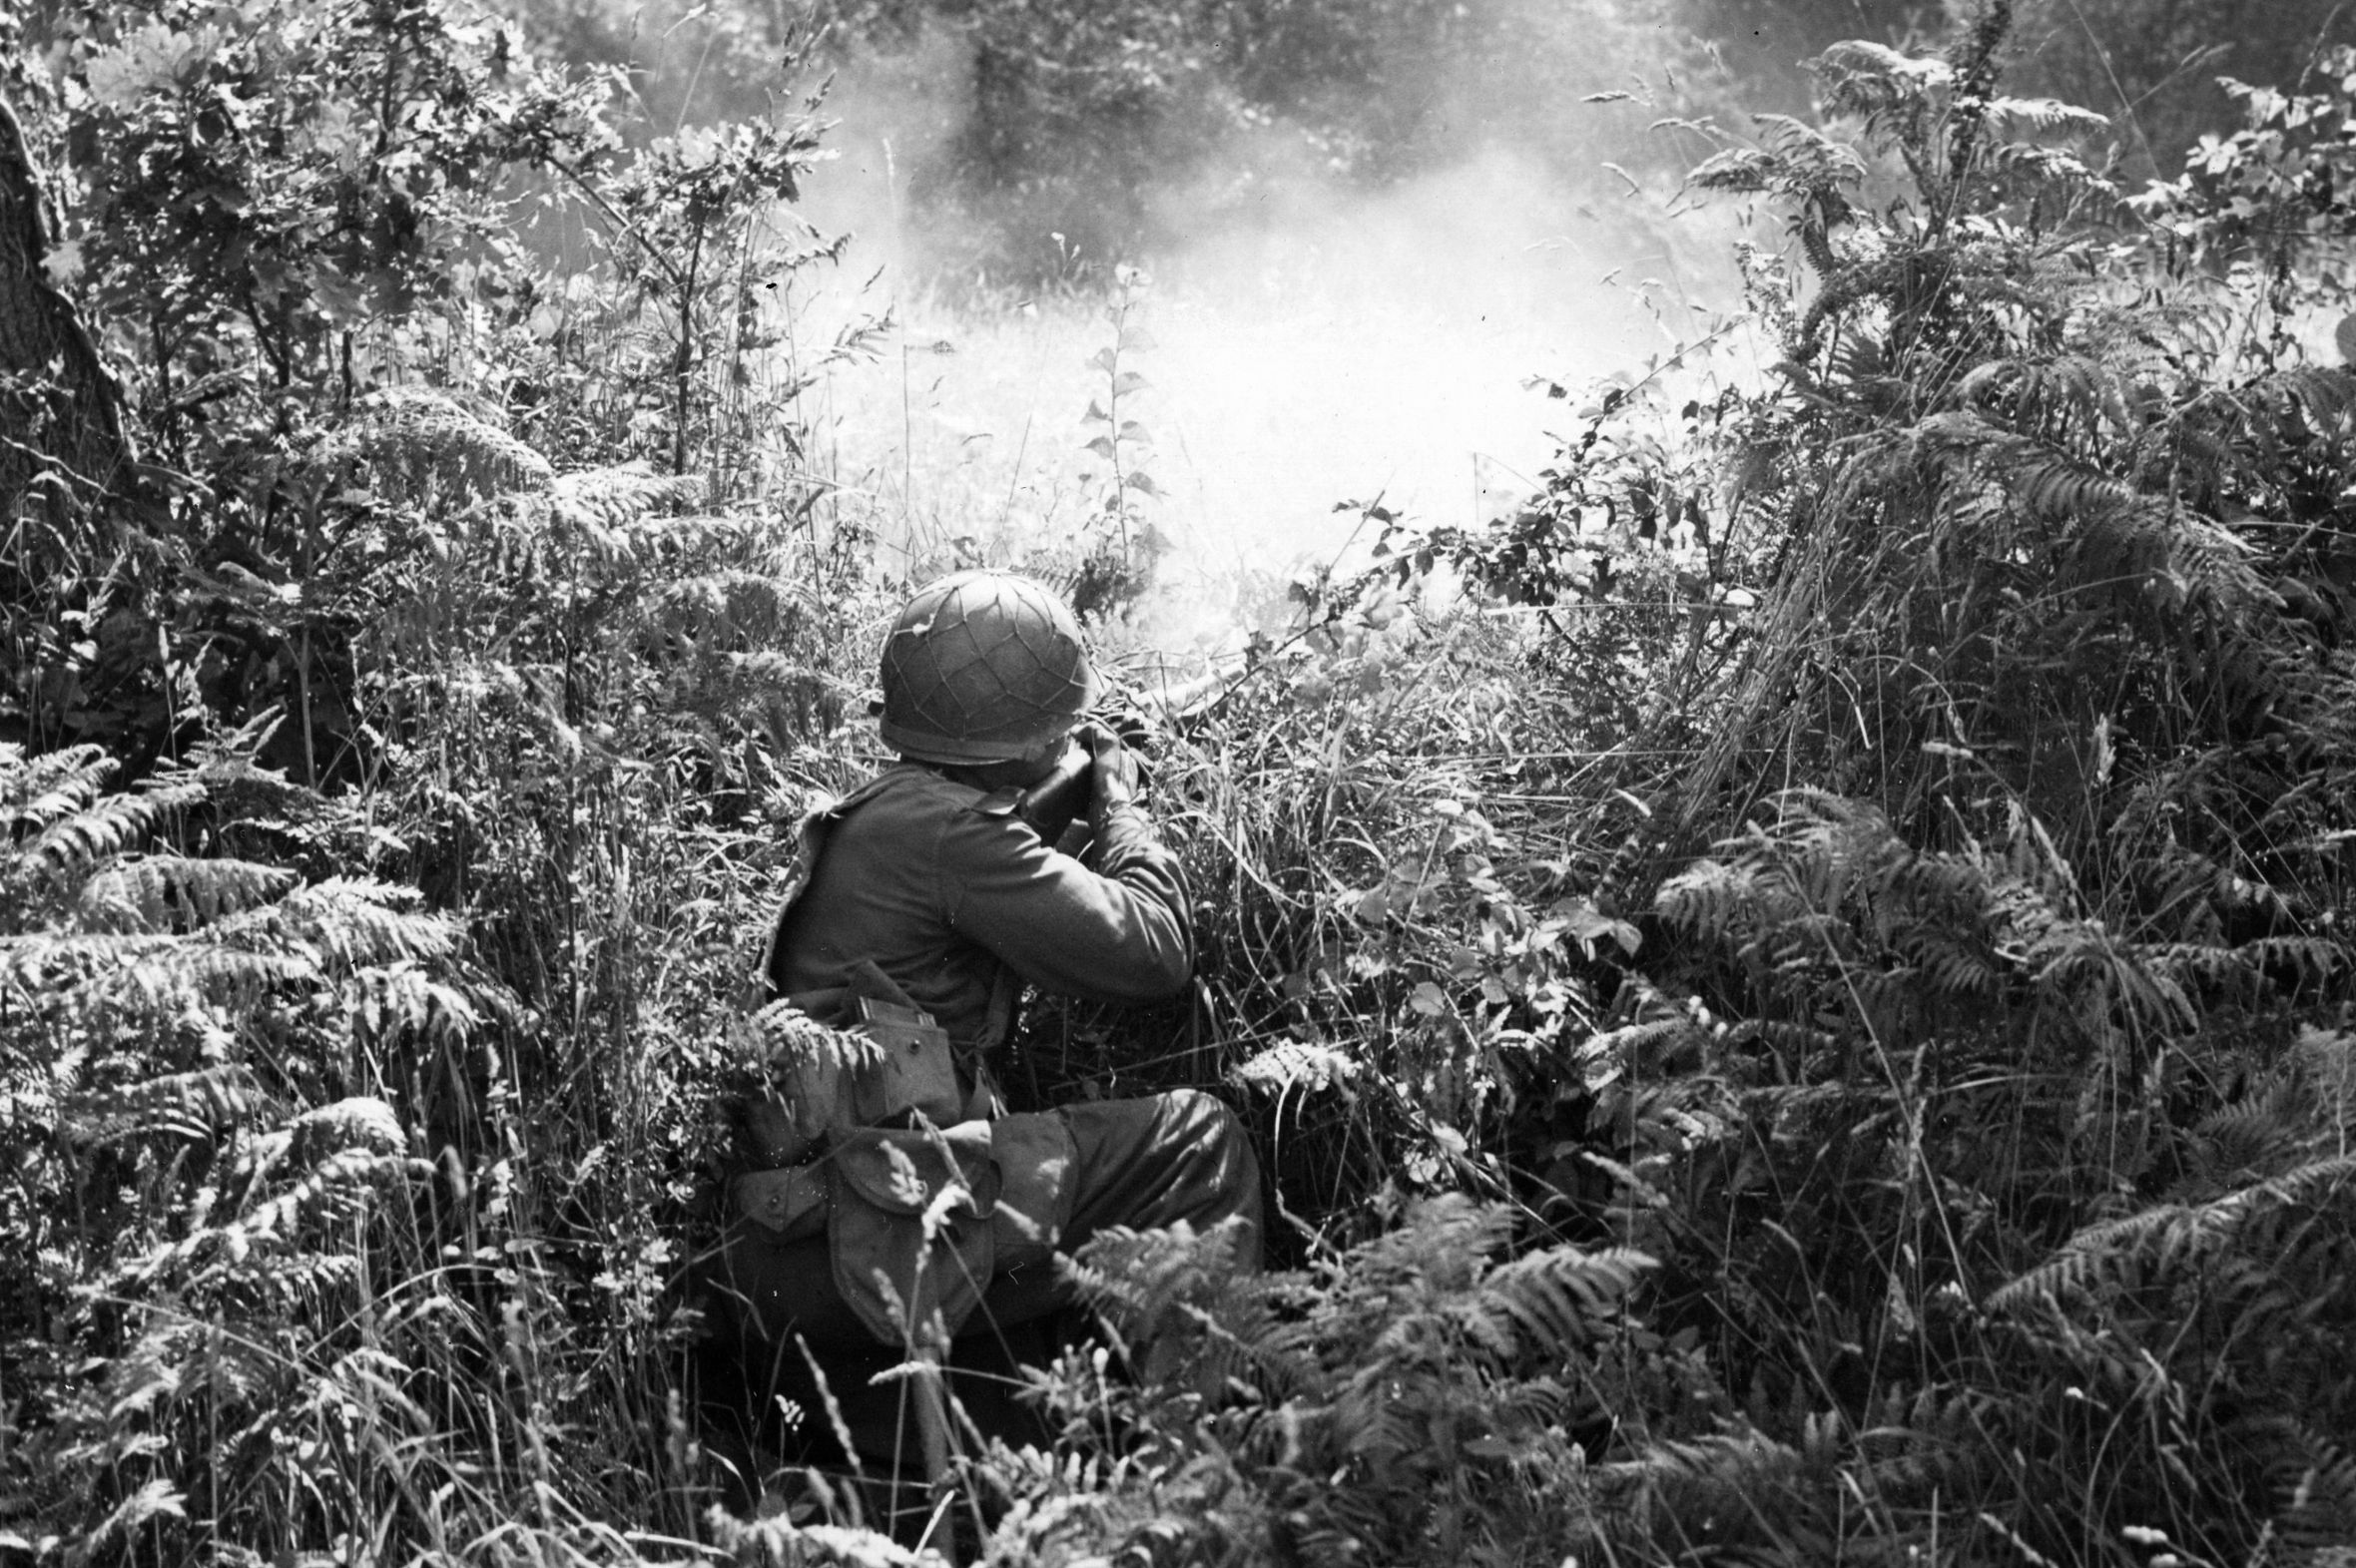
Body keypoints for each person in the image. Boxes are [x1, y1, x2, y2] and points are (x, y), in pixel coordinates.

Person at [692, 568, 1262, 1499]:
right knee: (1202, 1141)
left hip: (803, 1239)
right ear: (1037, 739)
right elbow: (1154, 949)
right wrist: (1120, 803)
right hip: (862, 1231)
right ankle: (1202, 1497)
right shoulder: (955, 836)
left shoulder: (899, 814)